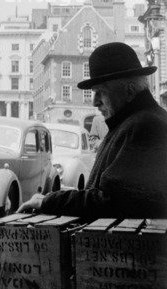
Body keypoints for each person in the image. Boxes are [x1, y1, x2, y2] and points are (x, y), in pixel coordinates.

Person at [18, 42, 167, 218]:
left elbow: (113, 200)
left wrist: (48, 201)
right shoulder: (135, 122)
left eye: (100, 92)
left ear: (129, 90)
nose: (94, 102)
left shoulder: (146, 125)